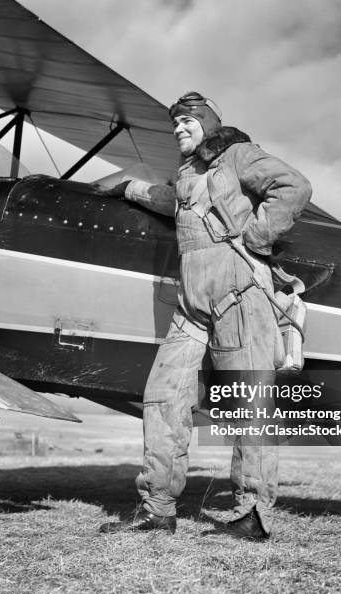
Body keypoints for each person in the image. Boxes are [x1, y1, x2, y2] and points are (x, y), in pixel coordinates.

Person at [100, 92, 312, 539]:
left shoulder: (237, 155)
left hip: (240, 296)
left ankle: (251, 515)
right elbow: (174, 201)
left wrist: (258, 235)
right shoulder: (190, 172)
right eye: (174, 122)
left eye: (187, 121)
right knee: (163, 396)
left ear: (208, 123)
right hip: (192, 305)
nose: (178, 128)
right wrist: (129, 189)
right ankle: (158, 508)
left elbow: (294, 186)